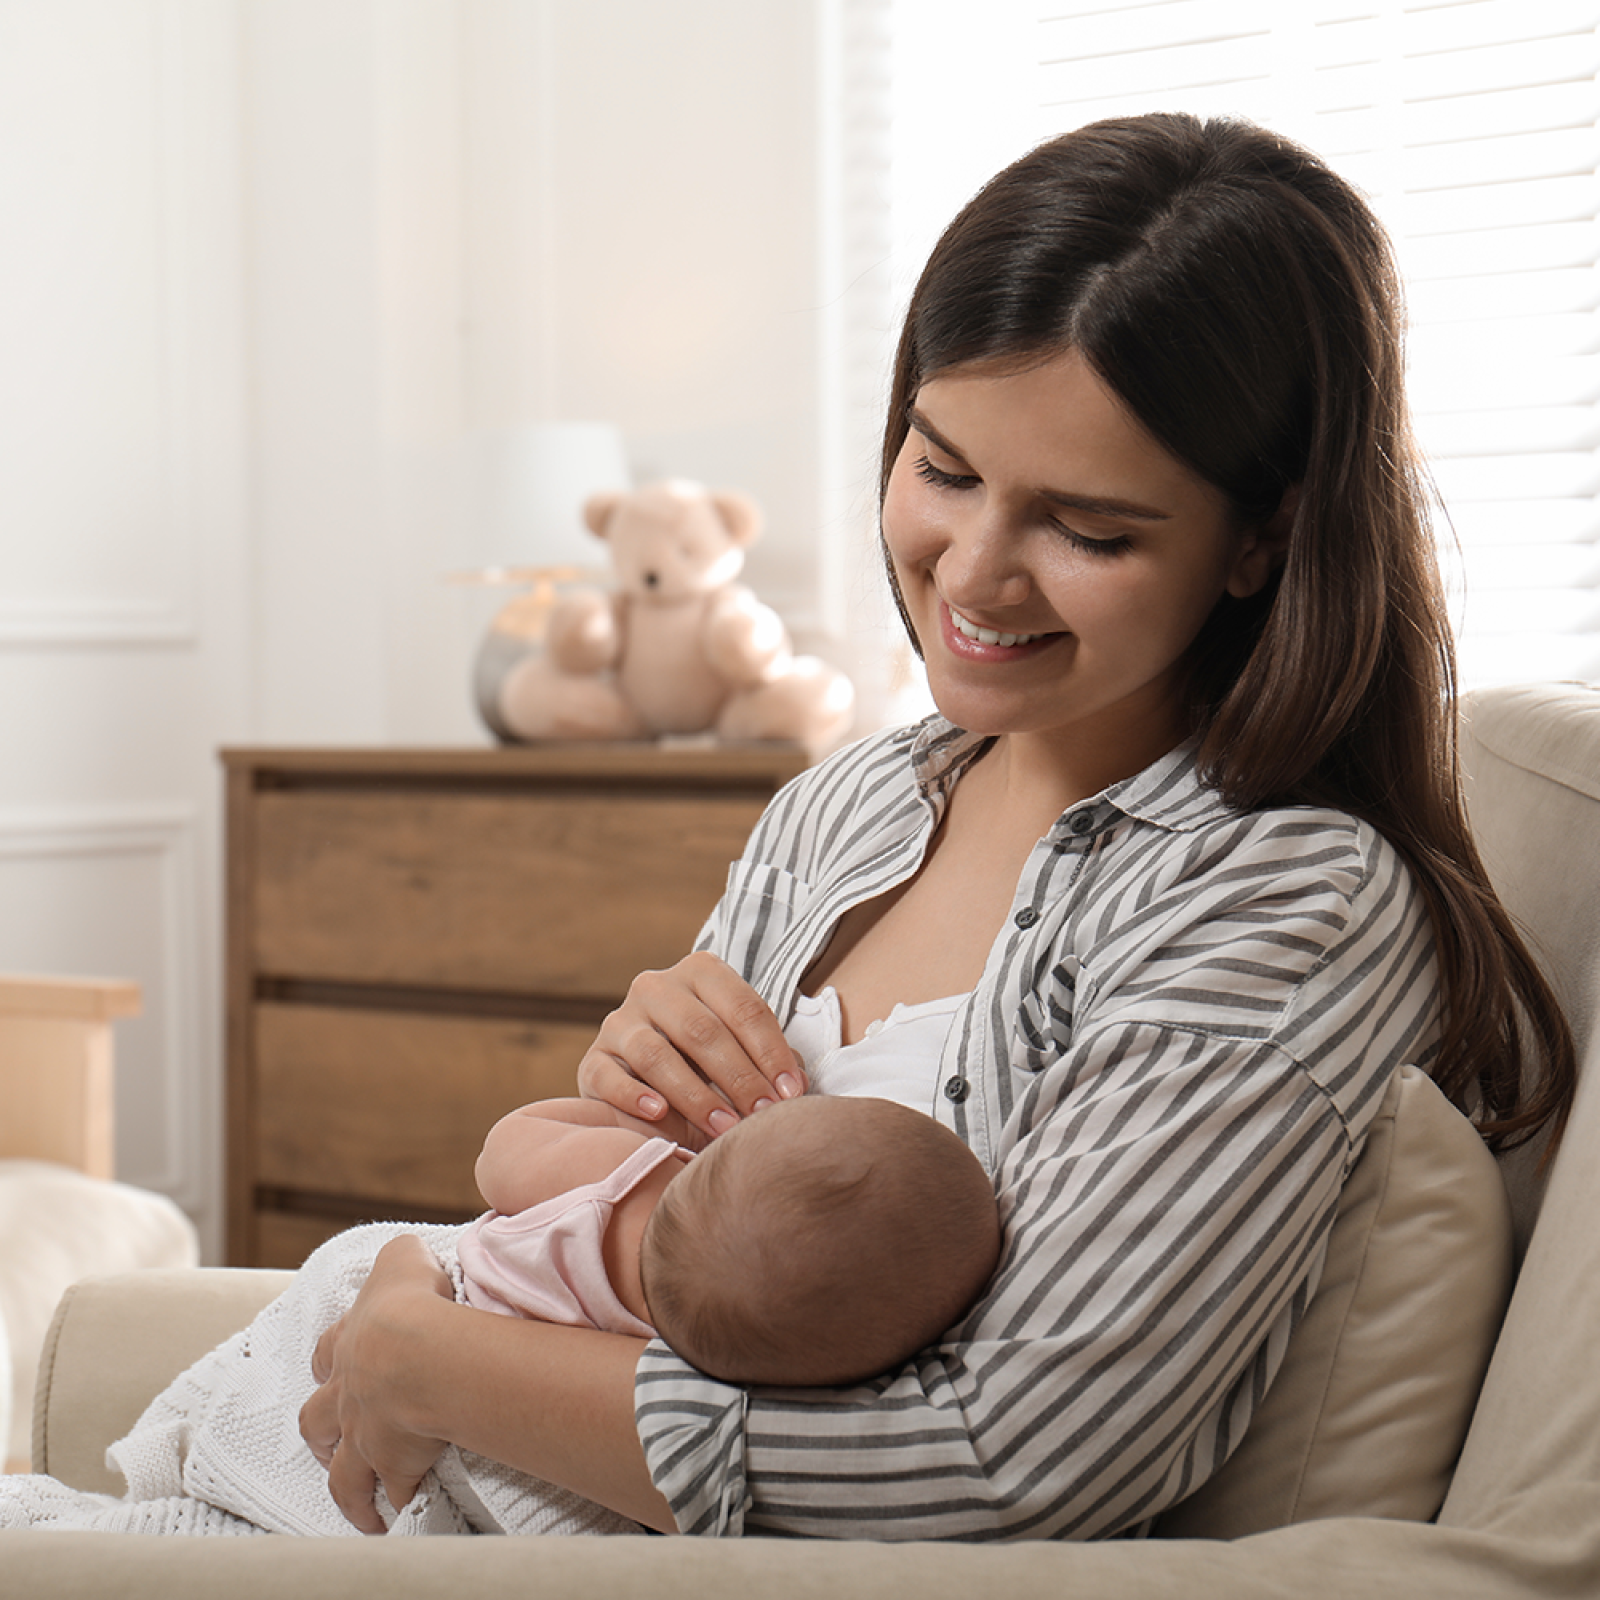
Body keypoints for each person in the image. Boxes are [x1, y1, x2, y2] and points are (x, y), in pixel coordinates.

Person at [300, 111, 1577, 1543]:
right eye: (944, 469)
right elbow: (637, 1241)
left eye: (1087, 531)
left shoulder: (1283, 899)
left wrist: (437, 1360)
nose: (972, 576)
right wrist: (619, 1099)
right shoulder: (846, 802)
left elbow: (1000, 1462)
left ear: (1264, 540)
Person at [0, 1093, 999, 1536]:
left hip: (375, 1305)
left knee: (165, 1495)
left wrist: (626, 1122)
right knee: (195, 1532)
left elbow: (504, 1153)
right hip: (412, 1411)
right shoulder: (704, 1360)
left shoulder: (639, 1178)